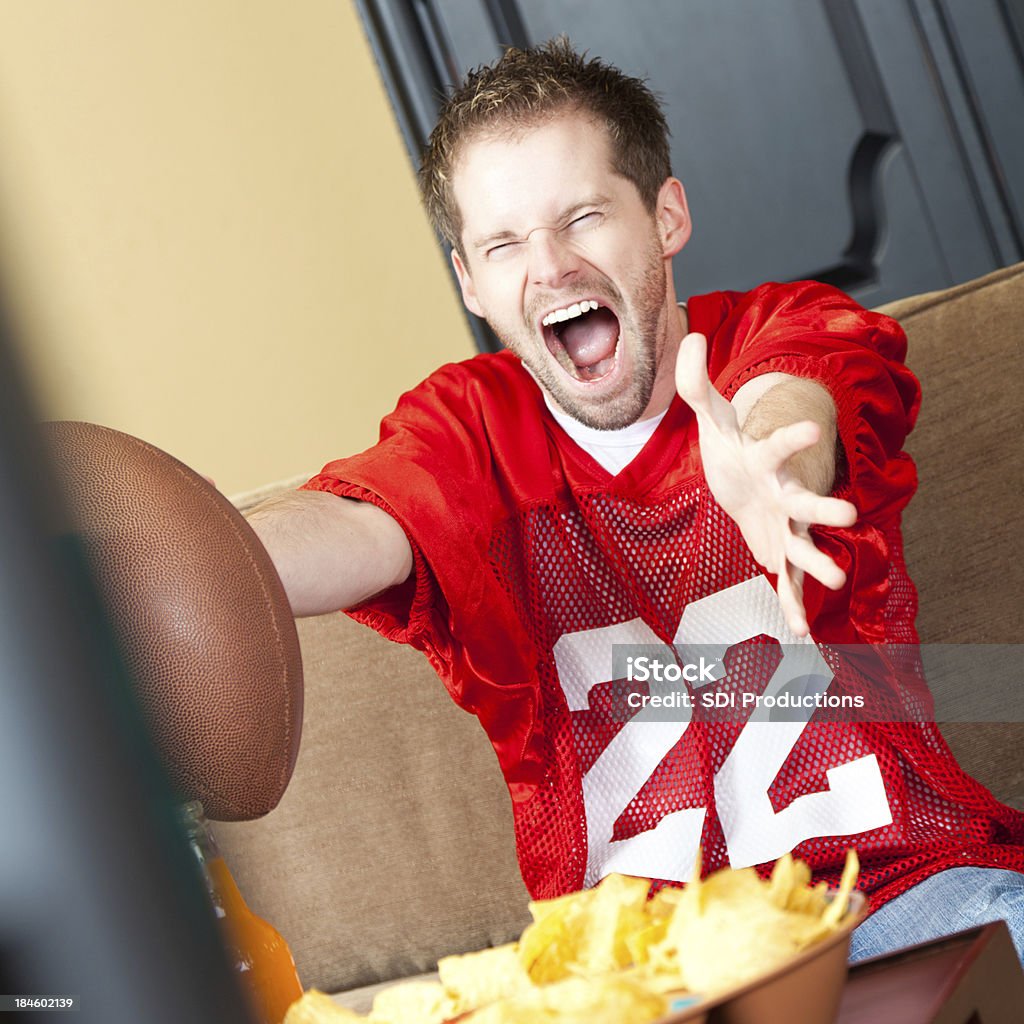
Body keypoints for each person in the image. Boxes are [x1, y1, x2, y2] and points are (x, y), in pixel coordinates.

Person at [248, 39, 1024, 961]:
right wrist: (199, 565)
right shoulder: (466, 430)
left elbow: (800, 396)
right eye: (503, 243)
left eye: (581, 217)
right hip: (650, 974)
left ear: (666, 216)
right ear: (471, 280)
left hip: (901, 901)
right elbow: (354, 526)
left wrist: (771, 465)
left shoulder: (785, 327)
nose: (550, 267)